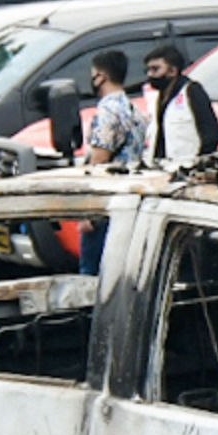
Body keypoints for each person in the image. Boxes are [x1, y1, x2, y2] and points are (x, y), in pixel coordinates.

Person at [77, 51, 146, 276]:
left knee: (93, 276)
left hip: (105, 203)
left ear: (101, 76)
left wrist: (88, 211)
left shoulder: (107, 111)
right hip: (129, 196)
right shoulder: (134, 109)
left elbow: (100, 159)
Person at [141, 41, 218, 163]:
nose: (150, 75)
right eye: (148, 70)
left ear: (173, 71)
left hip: (188, 168)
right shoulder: (157, 97)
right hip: (161, 167)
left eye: (155, 69)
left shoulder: (191, 91)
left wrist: (200, 162)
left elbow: (212, 133)